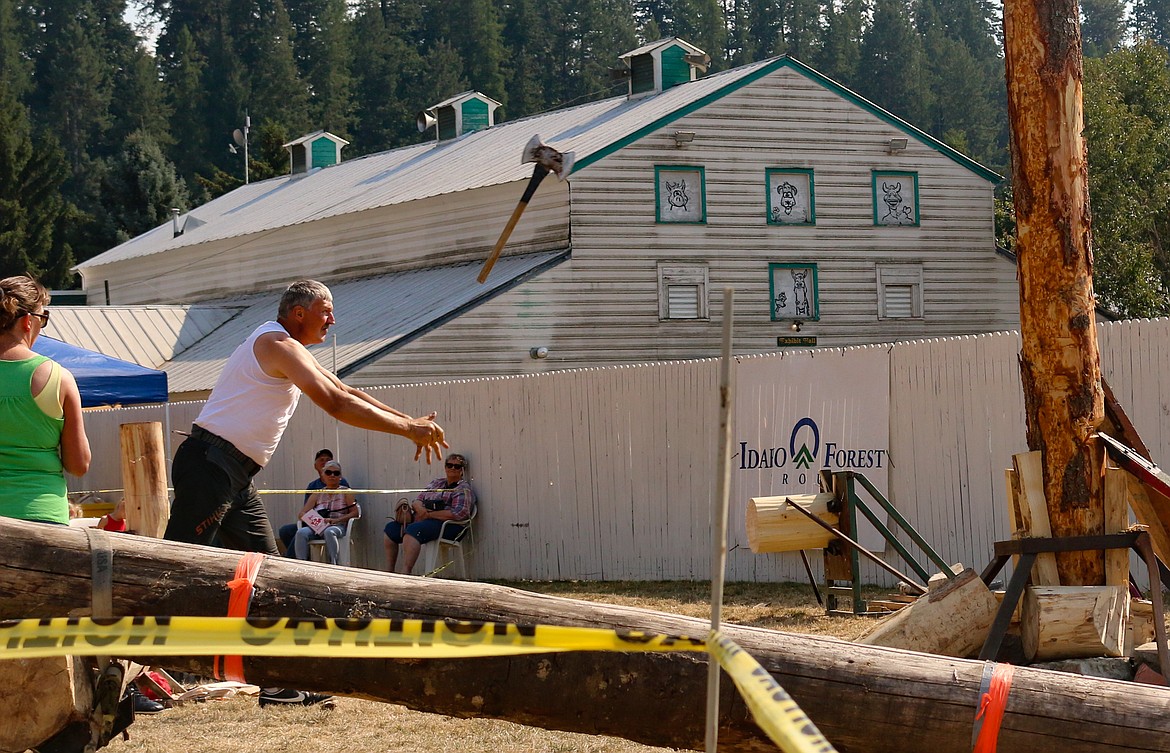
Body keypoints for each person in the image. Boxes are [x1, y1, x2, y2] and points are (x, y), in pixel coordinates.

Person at [162, 279, 447, 707]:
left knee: (266, 576)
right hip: (210, 466)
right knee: (175, 568)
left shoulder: (290, 348)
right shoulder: (276, 344)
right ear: (299, 313)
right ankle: (135, 675)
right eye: (325, 311)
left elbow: (346, 391)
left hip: (233, 474)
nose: (332, 320)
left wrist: (412, 423)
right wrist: (409, 429)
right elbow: (335, 404)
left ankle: (276, 684)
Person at [0, 276, 91, 524]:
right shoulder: (58, 377)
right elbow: (78, 464)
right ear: (28, 321)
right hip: (42, 513)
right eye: (43, 318)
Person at [383, 453, 475, 574]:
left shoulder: (463, 488)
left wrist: (429, 515)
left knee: (413, 530)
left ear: (462, 470)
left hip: (449, 526)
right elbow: (417, 500)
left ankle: (406, 572)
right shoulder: (436, 483)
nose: (452, 468)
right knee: (391, 529)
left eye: (457, 466)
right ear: (445, 467)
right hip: (424, 519)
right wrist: (420, 509)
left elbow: (459, 513)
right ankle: (389, 572)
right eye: (449, 465)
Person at [278, 448, 348, 556]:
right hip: (315, 522)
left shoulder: (342, 485)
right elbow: (305, 512)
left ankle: (291, 558)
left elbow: (352, 509)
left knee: (301, 533)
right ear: (316, 466)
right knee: (286, 531)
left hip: (334, 523)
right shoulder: (313, 487)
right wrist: (317, 523)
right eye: (321, 460)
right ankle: (302, 558)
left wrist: (335, 520)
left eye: (328, 460)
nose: (332, 476)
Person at [291, 460, 360, 564]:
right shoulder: (317, 494)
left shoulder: (346, 492)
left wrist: (337, 520)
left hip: (338, 525)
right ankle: (302, 564)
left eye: (336, 473)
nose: (332, 475)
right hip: (318, 526)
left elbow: (355, 512)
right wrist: (316, 521)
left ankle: (334, 564)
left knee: (329, 532)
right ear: (323, 475)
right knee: (301, 533)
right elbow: (302, 514)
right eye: (328, 472)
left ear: (340, 477)